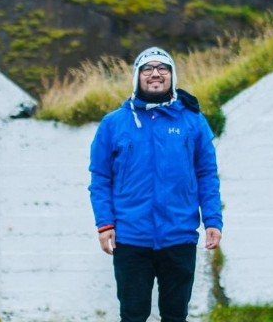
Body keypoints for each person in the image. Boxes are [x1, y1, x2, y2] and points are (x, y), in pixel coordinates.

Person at [88, 46, 223, 322]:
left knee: (175, 315)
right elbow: (100, 178)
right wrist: (105, 224)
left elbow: (207, 174)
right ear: (137, 76)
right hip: (130, 238)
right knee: (133, 315)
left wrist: (212, 220)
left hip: (179, 235)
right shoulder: (113, 123)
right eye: (147, 68)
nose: (155, 74)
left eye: (163, 68)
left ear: (172, 76)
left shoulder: (193, 121)